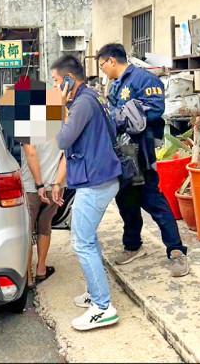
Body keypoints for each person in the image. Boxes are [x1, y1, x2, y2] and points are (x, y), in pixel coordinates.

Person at [96, 43, 190, 277]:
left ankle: (176, 251)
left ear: (112, 61)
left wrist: (121, 116)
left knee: (152, 199)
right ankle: (133, 245)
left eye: (102, 66)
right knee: (126, 200)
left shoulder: (143, 80)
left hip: (140, 152)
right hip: (123, 153)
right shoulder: (117, 84)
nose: (102, 71)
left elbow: (154, 110)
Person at [51, 54, 122, 331]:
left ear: (69, 80)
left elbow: (62, 140)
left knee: (82, 242)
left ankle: (103, 307)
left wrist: (58, 108)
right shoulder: (93, 98)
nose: (54, 87)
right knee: (88, 239)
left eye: (57, 81)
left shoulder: (81, 104)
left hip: (95, 183)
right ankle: (95, 293)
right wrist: (59, 183)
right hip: (100, 177)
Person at [21, 139, 66, 288]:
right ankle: (41, 269)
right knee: (45, 225)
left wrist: (39, 184)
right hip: (54, 186)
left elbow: (31, 152)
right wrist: (57, 183)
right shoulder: (61, 122)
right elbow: (66, 155)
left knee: (26, 230)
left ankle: (28, 278)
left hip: (31, 186)